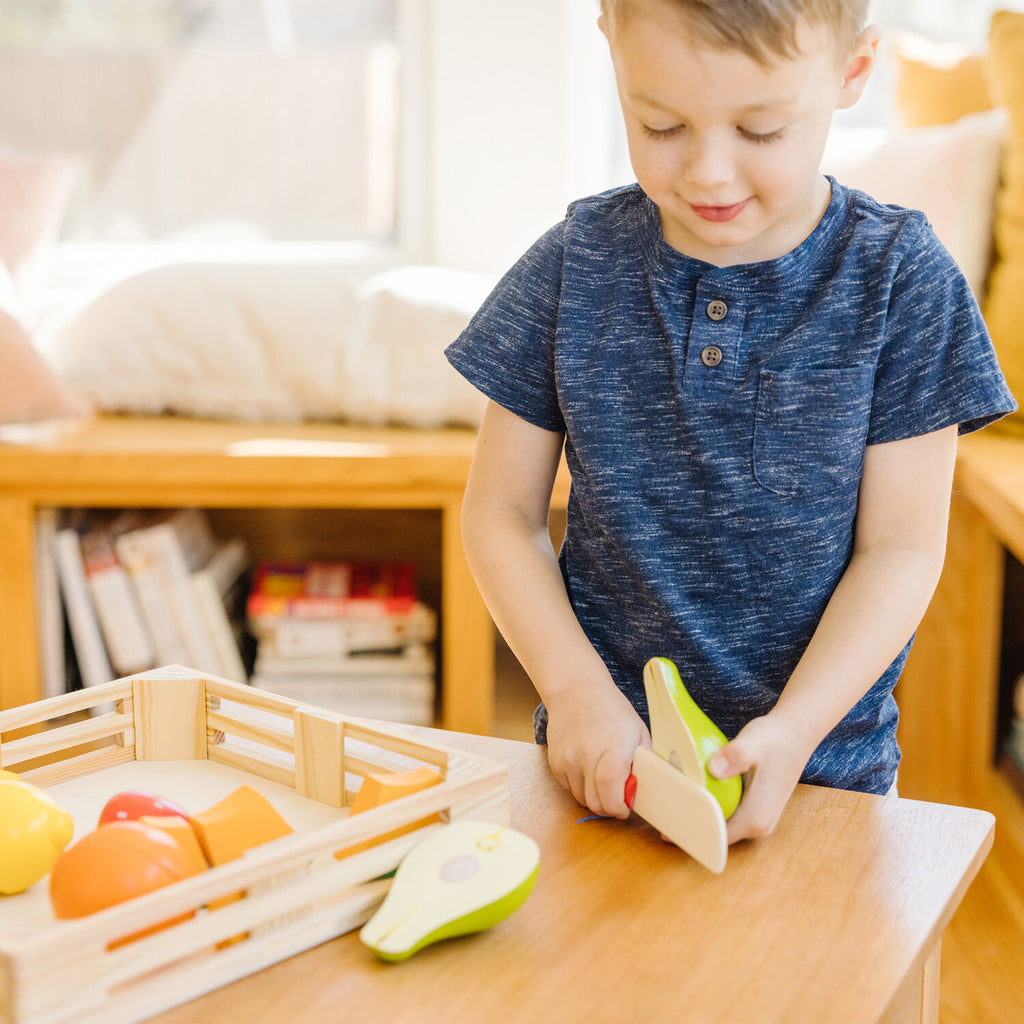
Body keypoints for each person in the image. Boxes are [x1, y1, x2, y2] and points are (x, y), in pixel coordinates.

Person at [444, 0, 1017, 845]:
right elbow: (500, 513)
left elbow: (899, 550)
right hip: (603, 773)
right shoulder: (576, 261)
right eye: (661, 123)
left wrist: (795, 729)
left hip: (824, 779)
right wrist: (574, 694)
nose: (709, 173)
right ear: (612, 52)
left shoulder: (902, 279)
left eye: (760, 131)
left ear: (853, 73)